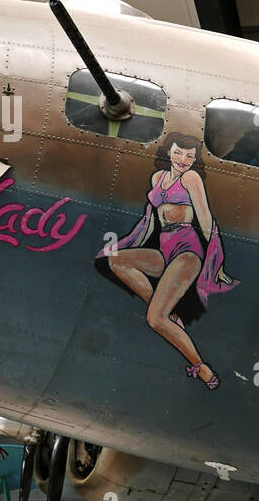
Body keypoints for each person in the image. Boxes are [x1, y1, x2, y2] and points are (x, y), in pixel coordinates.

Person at [95, 132, 237, 387]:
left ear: (195, 161)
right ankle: (167, 312)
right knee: (116, 260)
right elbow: (151, 222)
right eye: (178, 152)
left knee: (154, 319)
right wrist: (134, 242)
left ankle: (201, 367)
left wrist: (213, 256)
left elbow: (205, 218)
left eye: (190, 156)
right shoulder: (157, 178)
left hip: (187, 249)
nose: (183, 159)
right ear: (168, 151)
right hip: (164, 247)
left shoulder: (191, 178)